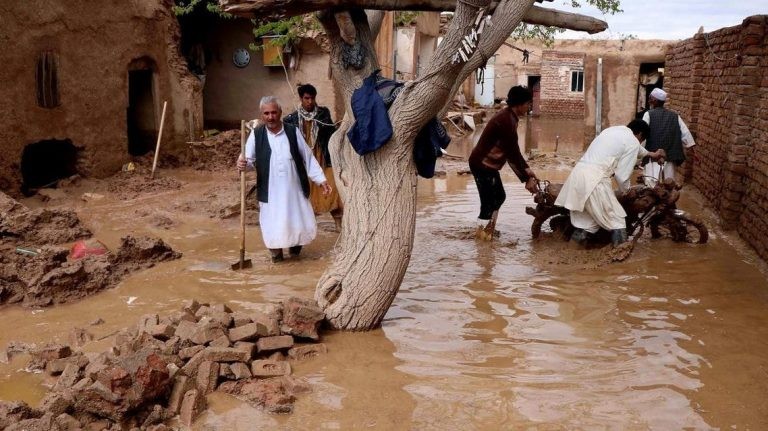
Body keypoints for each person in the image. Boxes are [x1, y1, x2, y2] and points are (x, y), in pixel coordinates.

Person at [237, 96, 331, 262]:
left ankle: (295, 254)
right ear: (262, 115)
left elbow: (307, 158)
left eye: (274, 112)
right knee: (272, 223)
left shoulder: (292, 131)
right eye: (266, 113)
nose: (271, 117)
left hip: (293, 189)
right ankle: (277, 257)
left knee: (296, 222)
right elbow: (248, 161)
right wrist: (242, 164)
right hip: (270, 190)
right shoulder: (256, 135)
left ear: (280, 112)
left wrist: (321, 180)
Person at [555, 119, 666, 246]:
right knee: (617, 221)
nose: (639, 143)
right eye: (641, 140)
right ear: (640, 135)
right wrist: (627, 191)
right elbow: (622, 176)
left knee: (587, 224)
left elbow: (638, 149)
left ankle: (570, 255)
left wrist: (653, 154)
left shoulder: (612, 131)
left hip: (577, 176)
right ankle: (619, 260)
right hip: (596, 181)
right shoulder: (633, 142)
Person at [469, 85, 538, 241]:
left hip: (488, 166)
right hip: (482, 165)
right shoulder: (506, 121)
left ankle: (488, 231)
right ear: (519, 104)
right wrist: (526, 179)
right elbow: (512, 154)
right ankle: (482, 239)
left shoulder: (510, 117)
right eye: (528, 103)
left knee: (499, 196)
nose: (529, 107)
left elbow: (513, 151)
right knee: (488, 203)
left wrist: (527, 171)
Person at [283, 84, 344, 229]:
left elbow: (330, 134)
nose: (310, 101)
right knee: (304, 193)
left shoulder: (323, 114)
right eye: (306, 98)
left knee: (331, 189)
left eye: (312, 98)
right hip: (303, 160)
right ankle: (306, 228)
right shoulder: (291, 119)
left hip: (322, 157)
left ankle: (338, 225)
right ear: (301, 99)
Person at [641, 88, 696, 186]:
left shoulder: (648, 114)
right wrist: (690, 147)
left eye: (651, 98)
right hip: (670, 156)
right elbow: (686, 133)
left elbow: (643, 134)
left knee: (651, 183)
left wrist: (640, 152)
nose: (649, 100)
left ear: (655, 100)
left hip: (653, 155)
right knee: (668, 183)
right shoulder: (675, 116)